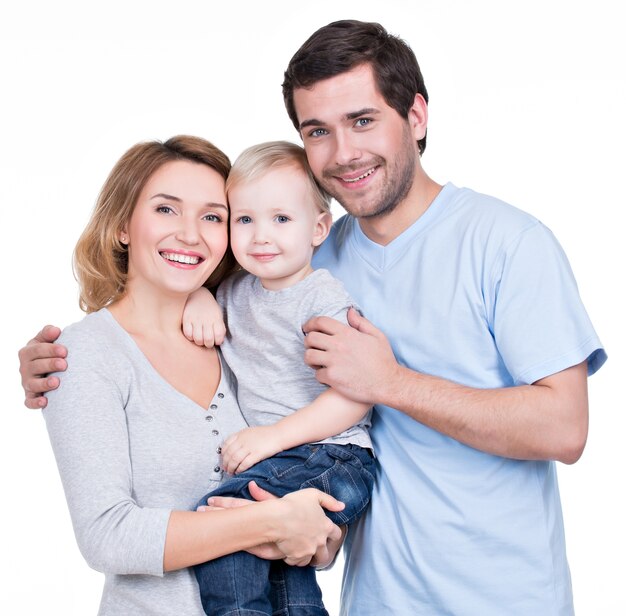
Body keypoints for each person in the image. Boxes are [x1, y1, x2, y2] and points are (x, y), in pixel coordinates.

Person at [18, 19, 607, 616]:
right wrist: (161, 312)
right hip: (371, 599)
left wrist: (390, 383)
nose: (344, 152)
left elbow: (565, 428)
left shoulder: (508, 242)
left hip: (501, 600)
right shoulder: (309, 255)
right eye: (318, 130)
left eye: (363, 120)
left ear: (418, 117)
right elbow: (196, 282)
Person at [29, 135, 344, 616]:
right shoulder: (86, 353)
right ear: (122, 226)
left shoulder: (240, 333)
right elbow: (107, 537)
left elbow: (303, 495)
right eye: (166, 210)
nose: (192, 234)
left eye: (213, 216)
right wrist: (274, 520)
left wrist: (317, 539)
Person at [186, 140, 374, 616]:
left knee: (222, 519)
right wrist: (199, 298)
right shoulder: (233, 291)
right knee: (283, 570)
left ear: (318, 228)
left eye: (281, 219)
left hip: (337, 458)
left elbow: (355, 397)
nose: (260, 236)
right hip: (289, 462)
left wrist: (272, 438)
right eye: (244, 220)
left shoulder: (322, 298)